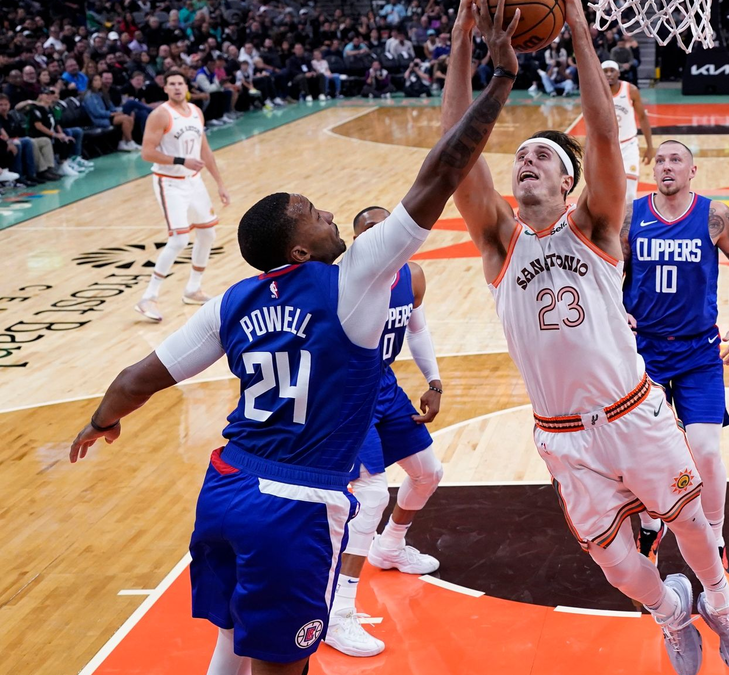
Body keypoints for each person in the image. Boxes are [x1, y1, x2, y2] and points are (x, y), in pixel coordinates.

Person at [67, 5, 519, 674]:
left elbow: (139, 378)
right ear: (300, 250)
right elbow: (442, 171)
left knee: (229, 643)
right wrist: (501, 79)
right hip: (295, 506)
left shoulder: (230, 302)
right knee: (282, 665)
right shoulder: (355, 280)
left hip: (225, 487)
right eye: (312, 213)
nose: (330, 212)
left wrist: (102, 420)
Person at [440, 0, 729, 672]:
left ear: (568, 179)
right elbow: (455, 150)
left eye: (541, 156)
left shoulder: (596, 228)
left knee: (691, 519)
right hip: (562, 433)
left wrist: (579, 28)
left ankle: (722, 605)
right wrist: (462, 42)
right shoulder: (499, 242)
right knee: (616, 566)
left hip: (632, 411)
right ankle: (673, 613)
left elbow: (607, 140)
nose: (525, 162)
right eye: (519, 157)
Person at [621, 138, 729, 590]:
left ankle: (715, 536)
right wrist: (615, 310)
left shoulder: (714, 215)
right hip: (644, 352)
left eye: (675, 160)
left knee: (705, 450)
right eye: (660, 160)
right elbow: (606, 269)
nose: (666, 166)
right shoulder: (632, 216)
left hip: (699, 352)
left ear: (692, 170)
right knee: (644, 452)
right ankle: (649, 527)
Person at [323, 208, 445, 658]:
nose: (379, 237)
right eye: (368, 231)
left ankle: (390, 546)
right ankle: (337, 613)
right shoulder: (341, 280)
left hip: (385, 386)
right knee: (372, 495)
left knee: (429, 473)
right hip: (346, 394)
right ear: (356, 242)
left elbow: (418, 329)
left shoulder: (412, 275)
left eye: (384, 227)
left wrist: (434, 382)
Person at [133, 70, 229, 321]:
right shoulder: (160, 114)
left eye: (180, 83)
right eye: (172, 84)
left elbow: (205, 150)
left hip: (194, 181)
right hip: (169, 182)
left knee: (208, 234)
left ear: (186, 87)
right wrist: (180, 160)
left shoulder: (196, 111)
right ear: (165, 88)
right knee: (179, 240)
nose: (176, 87)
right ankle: (148, 297)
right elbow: (147, 153)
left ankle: (193, 289)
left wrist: (219, 183)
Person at [602, 60, 652, 206]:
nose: (609, 74)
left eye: (612, 70)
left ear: (618, 73)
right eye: (605, 71)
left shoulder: (630, 90)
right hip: (607, 148)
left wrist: (650, 147)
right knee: (608, 193)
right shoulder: (596, 92)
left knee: (630, 194)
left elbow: (642, 117)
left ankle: (630, 221)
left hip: (629, 145)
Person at [82, 74, 139, 152]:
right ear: (91, 82)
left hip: (108, 116)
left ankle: (123, 142)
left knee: (130, 117)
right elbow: (97, 113)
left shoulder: (102, 93)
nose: (98, 82)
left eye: (99, 80)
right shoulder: (89, 96)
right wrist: (111, 114)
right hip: (99, 120)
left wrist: (117, 112)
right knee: (125, 119)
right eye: (95, 80)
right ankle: (130, 142)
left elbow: (111, 106)